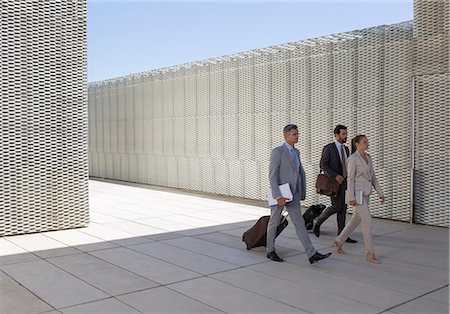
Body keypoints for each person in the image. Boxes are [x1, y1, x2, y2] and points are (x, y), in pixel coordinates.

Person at [267, 124, 332, 264]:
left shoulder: (296, 152)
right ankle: (270, 250)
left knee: (300, 224)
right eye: (294, 134)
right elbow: (272, 176)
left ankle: (311, 254)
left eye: (297, 134)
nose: (297, 136)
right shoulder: (277, 152)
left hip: (293, 194)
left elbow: (299, 173)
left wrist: (301, 192)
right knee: (274, 221)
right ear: (286, 136)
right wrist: (278, 196)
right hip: (281, 194)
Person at [332, 135, 385, 264]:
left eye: (367, 141)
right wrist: (351, 197)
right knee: (368, 221)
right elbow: (350, 179)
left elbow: (373, 178)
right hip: (357, 194)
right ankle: (370, 252)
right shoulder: (353, 159)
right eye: (365, 142)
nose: (367, 143)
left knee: (356, 220)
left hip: (366, 194)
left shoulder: (369, 158)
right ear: (357, 144)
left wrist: (380, 193)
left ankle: (338, 241)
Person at [313, 125, 357, 243]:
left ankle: (342, 235)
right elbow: (323, 165)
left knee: (343, 208)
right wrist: (335, 176)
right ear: (336, 135)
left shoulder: (346, 149)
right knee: (336, 207)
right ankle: (318, 221)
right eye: (343, 134)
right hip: (334, 183)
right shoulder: (329, 148)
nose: (345, 136)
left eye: (346, 134)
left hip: (345, 182)